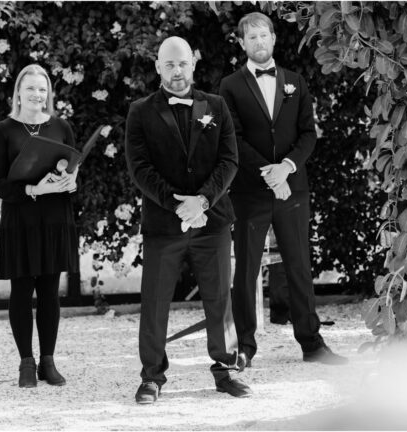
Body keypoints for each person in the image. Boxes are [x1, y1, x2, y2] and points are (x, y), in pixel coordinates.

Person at [218, 12, 346, 366]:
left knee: (298, 266)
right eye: (251, 38)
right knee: (245, 270)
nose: (259, 43)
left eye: (264, 35)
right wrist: (269, 174)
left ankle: (312, 343)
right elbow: (233, 138)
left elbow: (308, 133)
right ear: (242, 44)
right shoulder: (229, 86)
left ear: (274, 39)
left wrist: (286, 169)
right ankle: (243, 346)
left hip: (293, 189)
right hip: (250, 192)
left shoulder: (296, 82)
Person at [126, 36, 248, 404]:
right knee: (155, 302)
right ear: (158, 68)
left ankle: (225, 369)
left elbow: (229, 161)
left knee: (219, 298)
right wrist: (177, 205)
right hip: (164, 224)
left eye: (182, 64)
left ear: (192, 65)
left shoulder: (217, 106)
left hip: (211, 222)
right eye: (169, 65)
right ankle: (151, 376)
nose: (176, 71)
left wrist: (203, 202)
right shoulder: (140, 111)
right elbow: (139, 168)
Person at [0, 64, 78, 388]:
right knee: (22, 291)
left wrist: (70, 181)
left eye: (42, 89)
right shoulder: (3, 130)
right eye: (30, 89)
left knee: (50, 293)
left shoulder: (61, 126)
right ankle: (26, 363)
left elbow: (72, 167)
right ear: (18, 93)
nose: (37, 95)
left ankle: (48, 362)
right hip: (20, 220)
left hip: (54, 219)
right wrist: (31, 190)